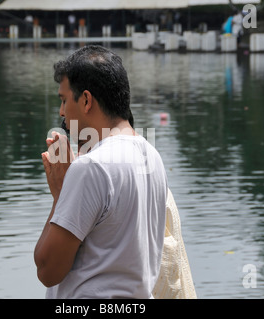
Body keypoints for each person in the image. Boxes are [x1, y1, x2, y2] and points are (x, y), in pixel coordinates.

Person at [34, 45, 168, 298]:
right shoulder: (152, 156)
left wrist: (60, 196)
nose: (61, 112)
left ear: (86, 100)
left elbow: (47, 270)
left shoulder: (90, 167)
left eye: (64, 100)